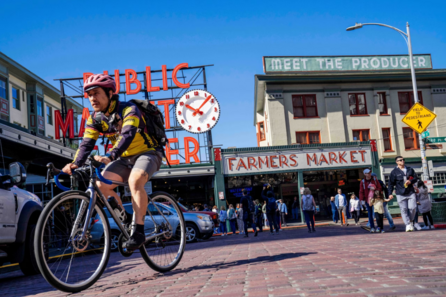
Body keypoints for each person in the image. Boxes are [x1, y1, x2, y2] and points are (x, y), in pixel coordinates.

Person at [62, 74, 163, 251]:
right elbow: (86, 143)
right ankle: (125, 219)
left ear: (110, 93)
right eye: (89, 94)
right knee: (101, 185)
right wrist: (75, 163)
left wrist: (111, 155)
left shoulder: (129, 109)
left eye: (96, 93)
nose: (92, 98)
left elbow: (128, 133)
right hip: (124, 159)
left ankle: (139, 232)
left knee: (135, 180)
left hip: (148, 153)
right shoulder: (95, 119)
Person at [388, 156, 419, 232]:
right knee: (403, 209)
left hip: (410, 192)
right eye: (400, 160)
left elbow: (416, 178)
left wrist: (410, 182)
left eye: (403, 160)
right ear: (397, 162)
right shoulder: (394, 172)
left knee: (413, 207)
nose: (402, 161)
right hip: (400, 193)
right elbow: (390, 184)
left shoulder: (410, 169)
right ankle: (407, 224)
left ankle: (411, 221)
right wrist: (390, 193)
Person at [359, 169, 382, 233]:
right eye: (367, 173)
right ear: (364, 174)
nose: (368, 174)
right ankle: (372, 227)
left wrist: (375, 189)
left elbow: (380, 188)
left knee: (377, 213)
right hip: (367, 199)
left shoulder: (374, 180)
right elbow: (361, 191)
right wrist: (361, 200)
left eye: (369, 173)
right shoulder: (363, 182)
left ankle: (379, 227)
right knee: (370, 214)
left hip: (375, 199)